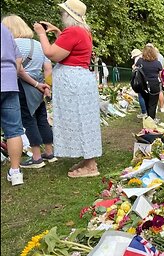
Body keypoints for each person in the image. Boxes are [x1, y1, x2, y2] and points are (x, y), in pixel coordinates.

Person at [33, 0, 102, 178]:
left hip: (73, 82)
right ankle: (88, 160)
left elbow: (52, 53)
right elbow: (69, 49)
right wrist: (57, 32)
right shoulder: (83, 31)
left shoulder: (73, 31)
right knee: (83, 120)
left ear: (68, 15)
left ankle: (91, 165)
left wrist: (41, 34)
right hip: (80, 79)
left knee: (80, 120)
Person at [2, 15, 56, 169]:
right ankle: (49, 152)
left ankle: (37, 157)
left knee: (28, 119)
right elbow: (47, 68)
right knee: (42, 118)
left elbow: (19, 70)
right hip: (40, 87)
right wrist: (46, 86)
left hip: (24, 86)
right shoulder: (39, 44)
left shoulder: (13, 44)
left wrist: (35, 83)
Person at [1, 24, 25, 185]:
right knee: (14, 130)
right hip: (9, 83)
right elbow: (18, 58)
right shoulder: (4, 30)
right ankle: (16, 172)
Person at [134, 44, 163, 119]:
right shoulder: (157, 63)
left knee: (146, 102)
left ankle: (148, 118)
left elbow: (135, 70)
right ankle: (152, 119)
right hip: (154, 85)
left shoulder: (140, 61)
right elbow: (160, 76)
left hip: (143, 85)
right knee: (153, 104)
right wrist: (163, 84)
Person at [131, 48, 147, 118]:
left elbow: (136, 69)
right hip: (147, 78)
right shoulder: (145, 57)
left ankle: (144, 112)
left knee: (140, 95)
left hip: (140, 79)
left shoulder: (137, 59)